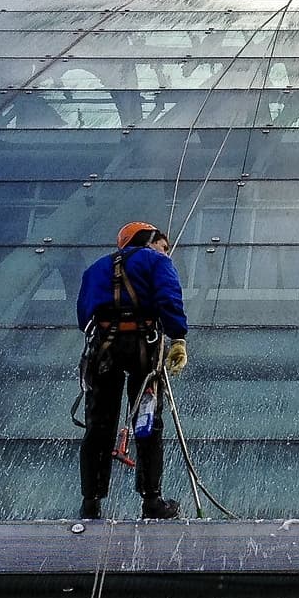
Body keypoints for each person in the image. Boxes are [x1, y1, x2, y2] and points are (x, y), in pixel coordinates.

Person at [75, 221, 189, 520]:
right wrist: (178, 336)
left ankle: (90, 503)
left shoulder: (96, 268)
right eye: (163, 246)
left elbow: (84, 313)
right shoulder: (155, 261)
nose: (167, 253)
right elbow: (168, 297)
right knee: (148, 422)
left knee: (98, 426)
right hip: (143, 345)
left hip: (102, 348)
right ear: (148, 241)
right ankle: (151, 500)